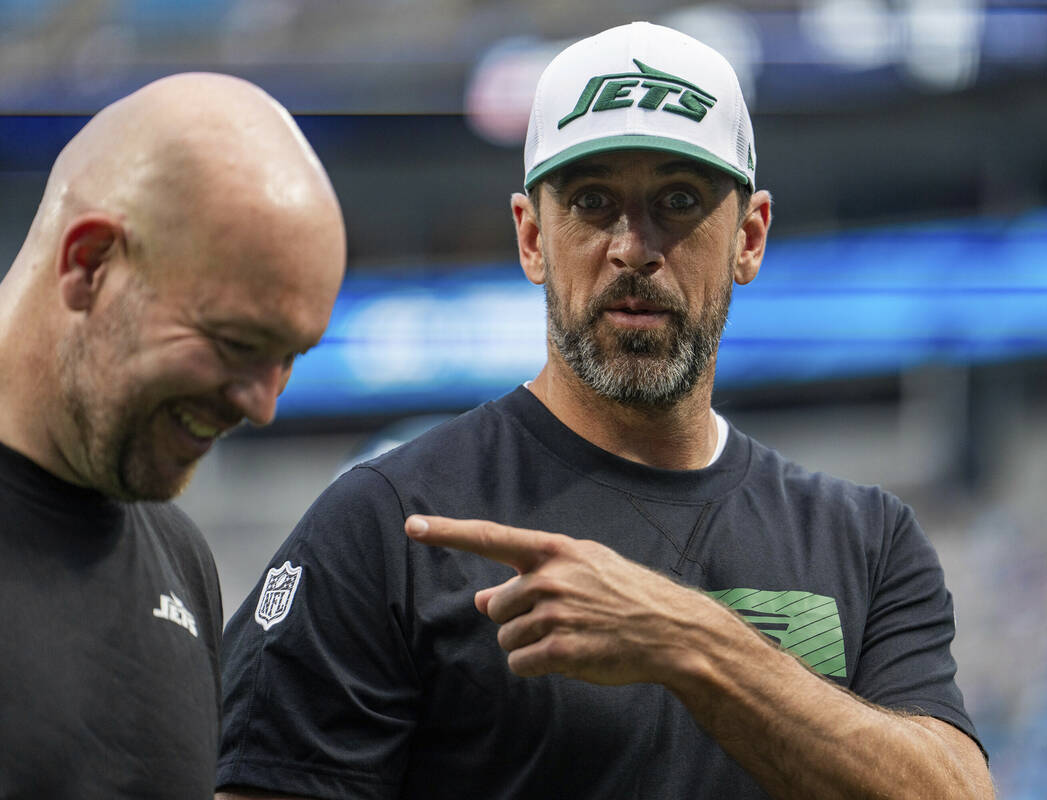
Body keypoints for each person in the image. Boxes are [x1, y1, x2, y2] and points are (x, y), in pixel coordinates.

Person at [216, 22, 991, 799]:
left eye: (678, 200)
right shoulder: (390, 525)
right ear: (531, 238)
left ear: (749, 238)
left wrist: (691, 640)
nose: (632, 247)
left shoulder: (866, 541)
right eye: (592, 202)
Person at [0, 73, 346, 798]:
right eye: (233, 341)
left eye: (290, 356)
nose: (263, 406)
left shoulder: (180, 560)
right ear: (90, 264)